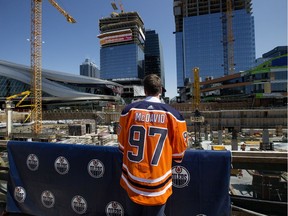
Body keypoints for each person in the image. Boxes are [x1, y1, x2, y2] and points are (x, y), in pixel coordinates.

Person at [117, 74, 188, 216]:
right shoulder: (174, 115)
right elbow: (179, 153)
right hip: (158, 181)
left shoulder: (128, 111)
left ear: (144, 90)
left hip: (133, 179)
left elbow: (122, 146)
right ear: (160, 90)